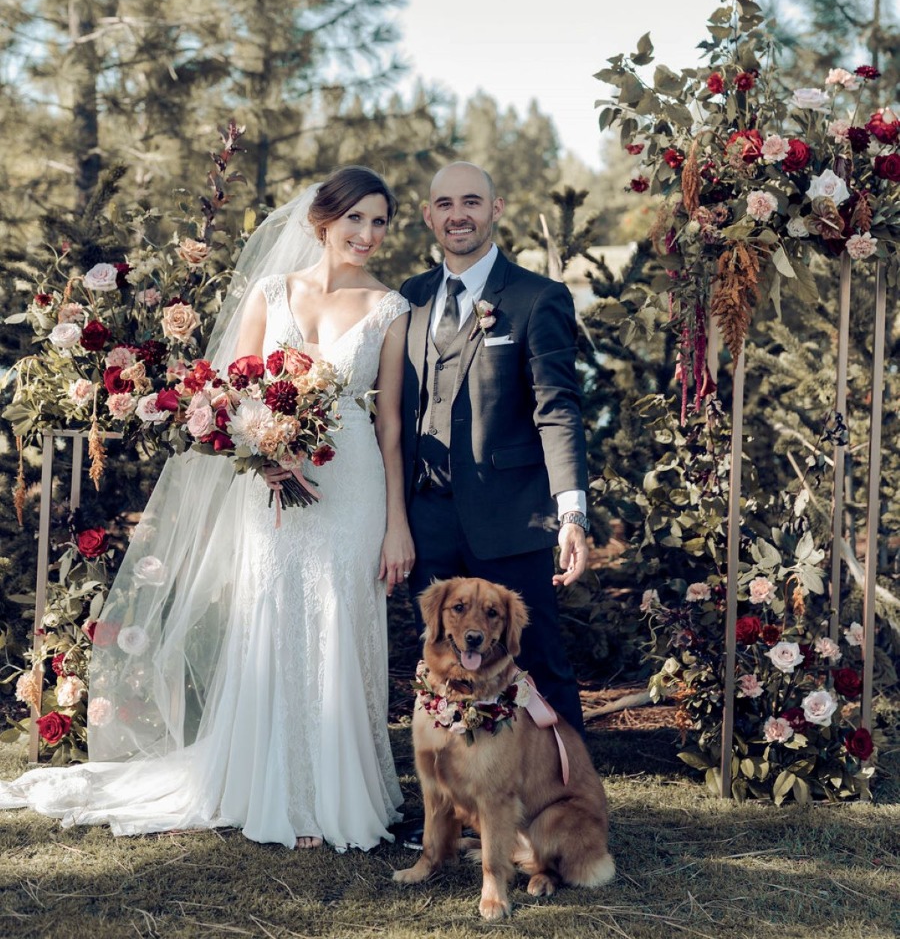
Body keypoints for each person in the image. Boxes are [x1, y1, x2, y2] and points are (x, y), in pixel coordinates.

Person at [0, 167, 415, 852]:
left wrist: (397, 522)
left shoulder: (390, 308)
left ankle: (337, 791)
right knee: (272, 616)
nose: (367, 235)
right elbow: (225, 396)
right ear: (323, 221)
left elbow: (392, 424)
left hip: (353, 485)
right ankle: (269, 786)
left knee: (342, 615)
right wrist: (264, 451)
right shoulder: (270, 291)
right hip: (268, 483)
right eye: (356, 220)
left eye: (380, 222)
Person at [400, 161, 589, 732]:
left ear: (495, 209)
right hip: (426, 517)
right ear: (429, 214)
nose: (458, 215)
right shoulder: (409, 298)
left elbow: (557, 408)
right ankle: (458, 807)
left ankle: (567, 805)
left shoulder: (538, 297)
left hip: (510, 514)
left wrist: (572, 512)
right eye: (446, 204)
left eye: (472, 202)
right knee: (440, 665)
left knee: (537, 664)